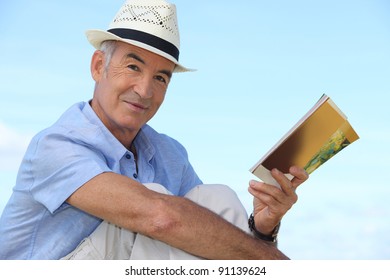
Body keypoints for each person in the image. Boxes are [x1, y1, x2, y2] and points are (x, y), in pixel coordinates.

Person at [0, 0, 308, 260]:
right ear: (98, 67)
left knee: (218, 199)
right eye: (133, 67)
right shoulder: (55, 146)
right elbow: (161, 217)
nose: (145, 90)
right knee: (158, 204)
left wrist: (262, 229)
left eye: (161, 78)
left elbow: (211, 235)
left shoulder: (168, 153)